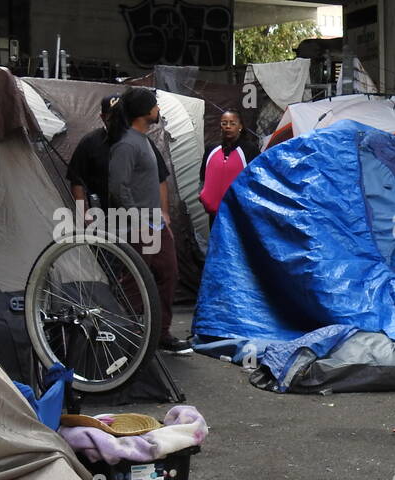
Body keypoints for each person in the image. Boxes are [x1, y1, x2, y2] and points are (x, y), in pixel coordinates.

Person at [107, 87, 190, 355]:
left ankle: (160, 332)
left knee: (168, 273)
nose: (158, 109)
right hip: (138, 226)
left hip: (155, 224)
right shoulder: (126, 144)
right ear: (145, 111)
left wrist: (162, 218)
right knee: (134, 281)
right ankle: (122, 334)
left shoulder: (144, 140)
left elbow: (155, 182)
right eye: (155, 105)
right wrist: (138, 218)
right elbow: (118, 187)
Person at [199, 110, 257, 224]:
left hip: (240, 214)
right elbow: (203, 176)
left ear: (240, 126)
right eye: (224, 123)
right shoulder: (211, 149)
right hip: (215, 213)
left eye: (232, 123)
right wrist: (203, 195)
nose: (228, 127)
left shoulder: (250, 150)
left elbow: (256, 179)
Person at [66, 94, 121, 207]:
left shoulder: (141, 142)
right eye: (112, 117)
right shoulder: (89, 142)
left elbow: (158, 179)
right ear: (103, 117)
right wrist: (85, 215)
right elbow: (76, 182)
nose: (117, 121)